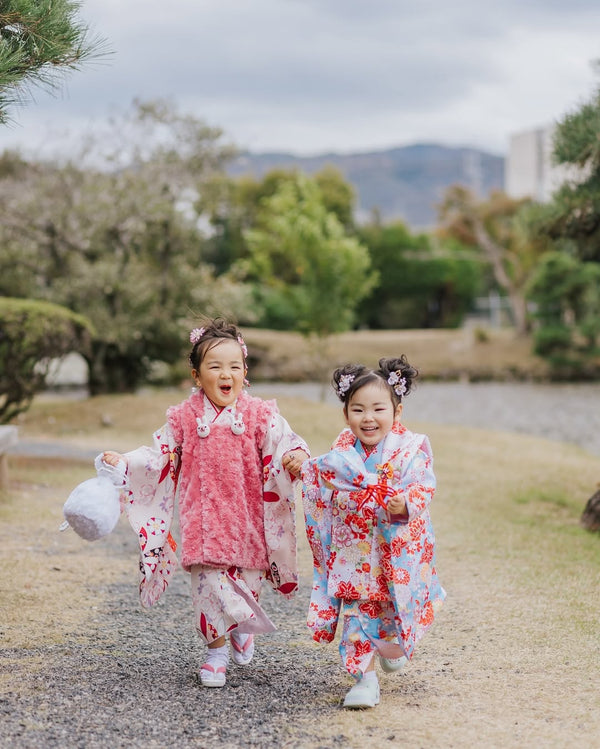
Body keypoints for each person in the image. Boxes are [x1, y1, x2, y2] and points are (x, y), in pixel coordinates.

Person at [99, 319, 309, 688]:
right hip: (204, 521)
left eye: (234, 366)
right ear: (197, 376)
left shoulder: (260, 415)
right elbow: (159, 455)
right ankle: (215, 653)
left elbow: (285, 441)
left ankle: (244, 624)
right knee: (207, 590)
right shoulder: (184, 418)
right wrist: (126, 462)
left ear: (245, 372)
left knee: (247, 584)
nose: (225, 374)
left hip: (248, 520)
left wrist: (295, 455)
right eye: (215, 367)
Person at [301, 356, 445, 709]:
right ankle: (364, 680)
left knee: (394, 615)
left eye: (378, 409)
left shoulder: (411, 448)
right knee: (358, 614)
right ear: (346, 414)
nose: (368, 418)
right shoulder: (342, 453)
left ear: (396, 413)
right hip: (354, 550)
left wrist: (405, 502)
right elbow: (322, 481)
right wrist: (310, 472)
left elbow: (424, 485)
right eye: (358, 409)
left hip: (395, 549)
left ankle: (392, 647)